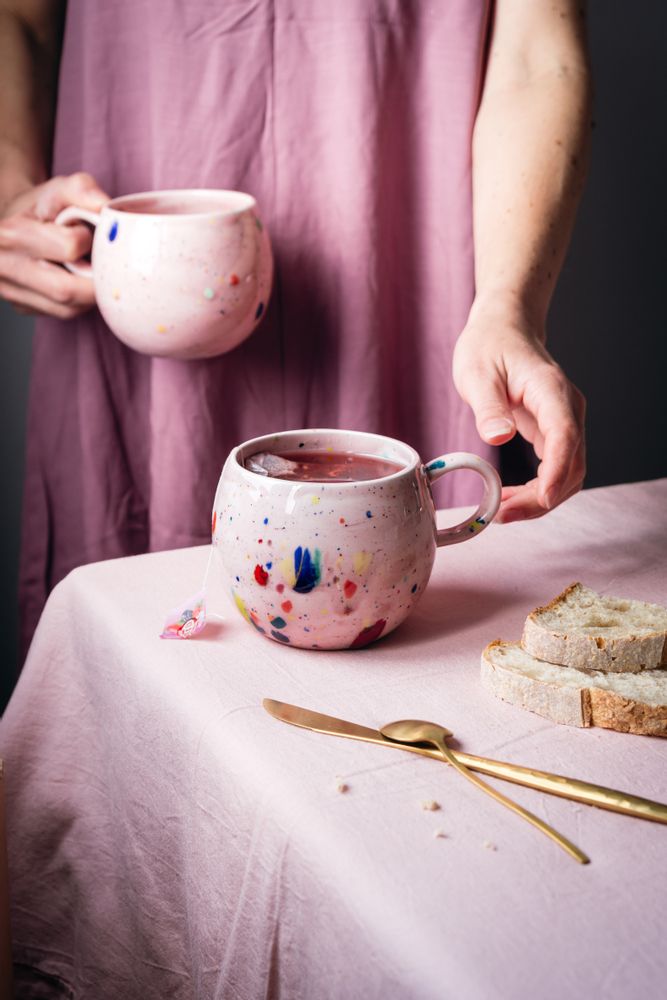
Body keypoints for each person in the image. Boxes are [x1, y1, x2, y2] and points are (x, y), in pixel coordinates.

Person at [0, 0, 589, 658]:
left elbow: (537, 53)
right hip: (131, 287)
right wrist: (7, 185)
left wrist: (506, 307)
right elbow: (17, 16)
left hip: (405, 265)